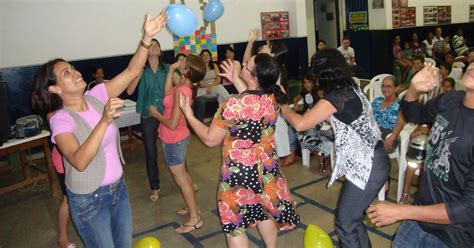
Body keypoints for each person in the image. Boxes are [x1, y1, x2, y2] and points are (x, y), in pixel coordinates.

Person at [30, 11, 168, 247]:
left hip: (118, 191)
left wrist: (146, 38)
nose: (75, 72)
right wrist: (104, 121)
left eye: (72, 68)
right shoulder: (61, 119)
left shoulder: (95, 96)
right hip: (89, 201)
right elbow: (79, 160)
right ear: (54, 89)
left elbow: (132, 71)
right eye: (66, 73)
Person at [179, 53, 300, 247]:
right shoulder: (276, 94)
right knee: (265, 211)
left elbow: (210, 139)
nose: (242, 65)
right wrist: (236, 78)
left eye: (246, 65)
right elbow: (253, 98)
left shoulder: (233, 104)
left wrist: (188, 114)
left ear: (253, 77)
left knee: (236, 225)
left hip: (239, 174)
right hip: (267, 168)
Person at [280, 48, 390, 247]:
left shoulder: (336, 98)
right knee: (353, 220)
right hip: (374, 160)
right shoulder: (352, 89)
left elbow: (300, 124)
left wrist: (283, 106)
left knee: (345, 223)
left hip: (369, 165)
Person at [367, 62, 474, 248]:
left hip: (454, 234)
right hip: (419, 216)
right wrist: (414, 91)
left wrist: (402, 212)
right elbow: (413, 114)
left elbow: (468, 208)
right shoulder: (450, 100)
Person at [148, 54, 205, 233]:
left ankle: (195, 218)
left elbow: (172, 123)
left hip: (174, 138)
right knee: (184, 175)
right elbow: (167, 94)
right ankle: (192, 207)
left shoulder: (183, 90)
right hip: (175, 137)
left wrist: (156, 114)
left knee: (181, 179)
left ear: (187, 70)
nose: (181, 63)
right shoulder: (182, 84)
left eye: (184, 63)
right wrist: (171, 70)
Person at [126, 38, 168, 202]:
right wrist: (138, 73)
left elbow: (180, 85)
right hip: (148, 116)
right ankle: (155, 187)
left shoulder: (167, 69)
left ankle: (184, 177)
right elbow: (129, 91)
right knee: (151, 152)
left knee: (174, 147)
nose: (155, 46)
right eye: (152, 45)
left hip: (167, 114)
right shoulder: (141, 71)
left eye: (158, 44)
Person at [294, 73, 334, 175]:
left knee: (322, 133)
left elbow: (323, 108)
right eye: (305, 82)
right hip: (311, 121)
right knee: (303, 135)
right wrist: (296, 105)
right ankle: (322, 161)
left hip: (324, 121)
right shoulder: (305, 92)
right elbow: (295, 99)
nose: (307, 85)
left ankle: (326, 161)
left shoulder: (319, 92)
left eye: (309, 82)